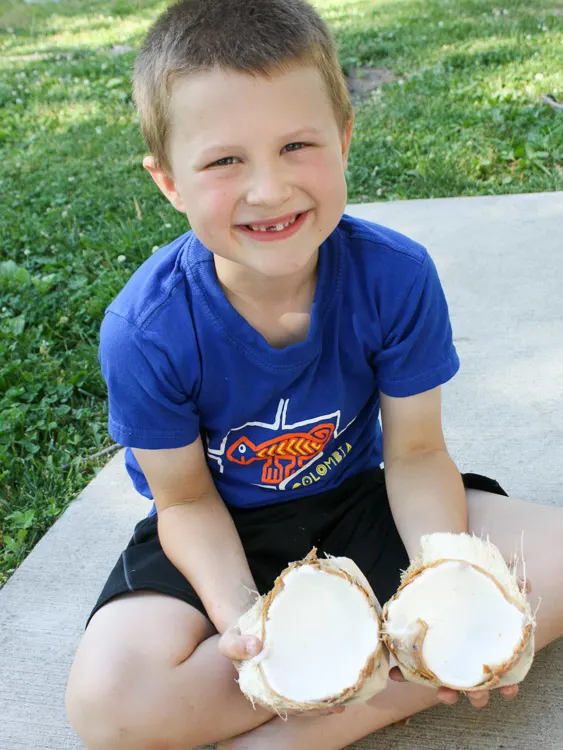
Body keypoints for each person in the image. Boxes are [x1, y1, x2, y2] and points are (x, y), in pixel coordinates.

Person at [65, 1, 563, 748]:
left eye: (297, 145)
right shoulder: (145, 331)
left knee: (550, 564)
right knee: (109, 708)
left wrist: (446, 584)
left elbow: (417, 453)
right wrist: (247, 621)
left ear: (344, 138)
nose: (268, 190)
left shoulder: (395, 277)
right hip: (228, 533)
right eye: (224, 160)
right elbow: (185, 502)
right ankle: (358, 663)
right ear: (168, 181)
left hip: (361, 501)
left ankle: (318, 720)